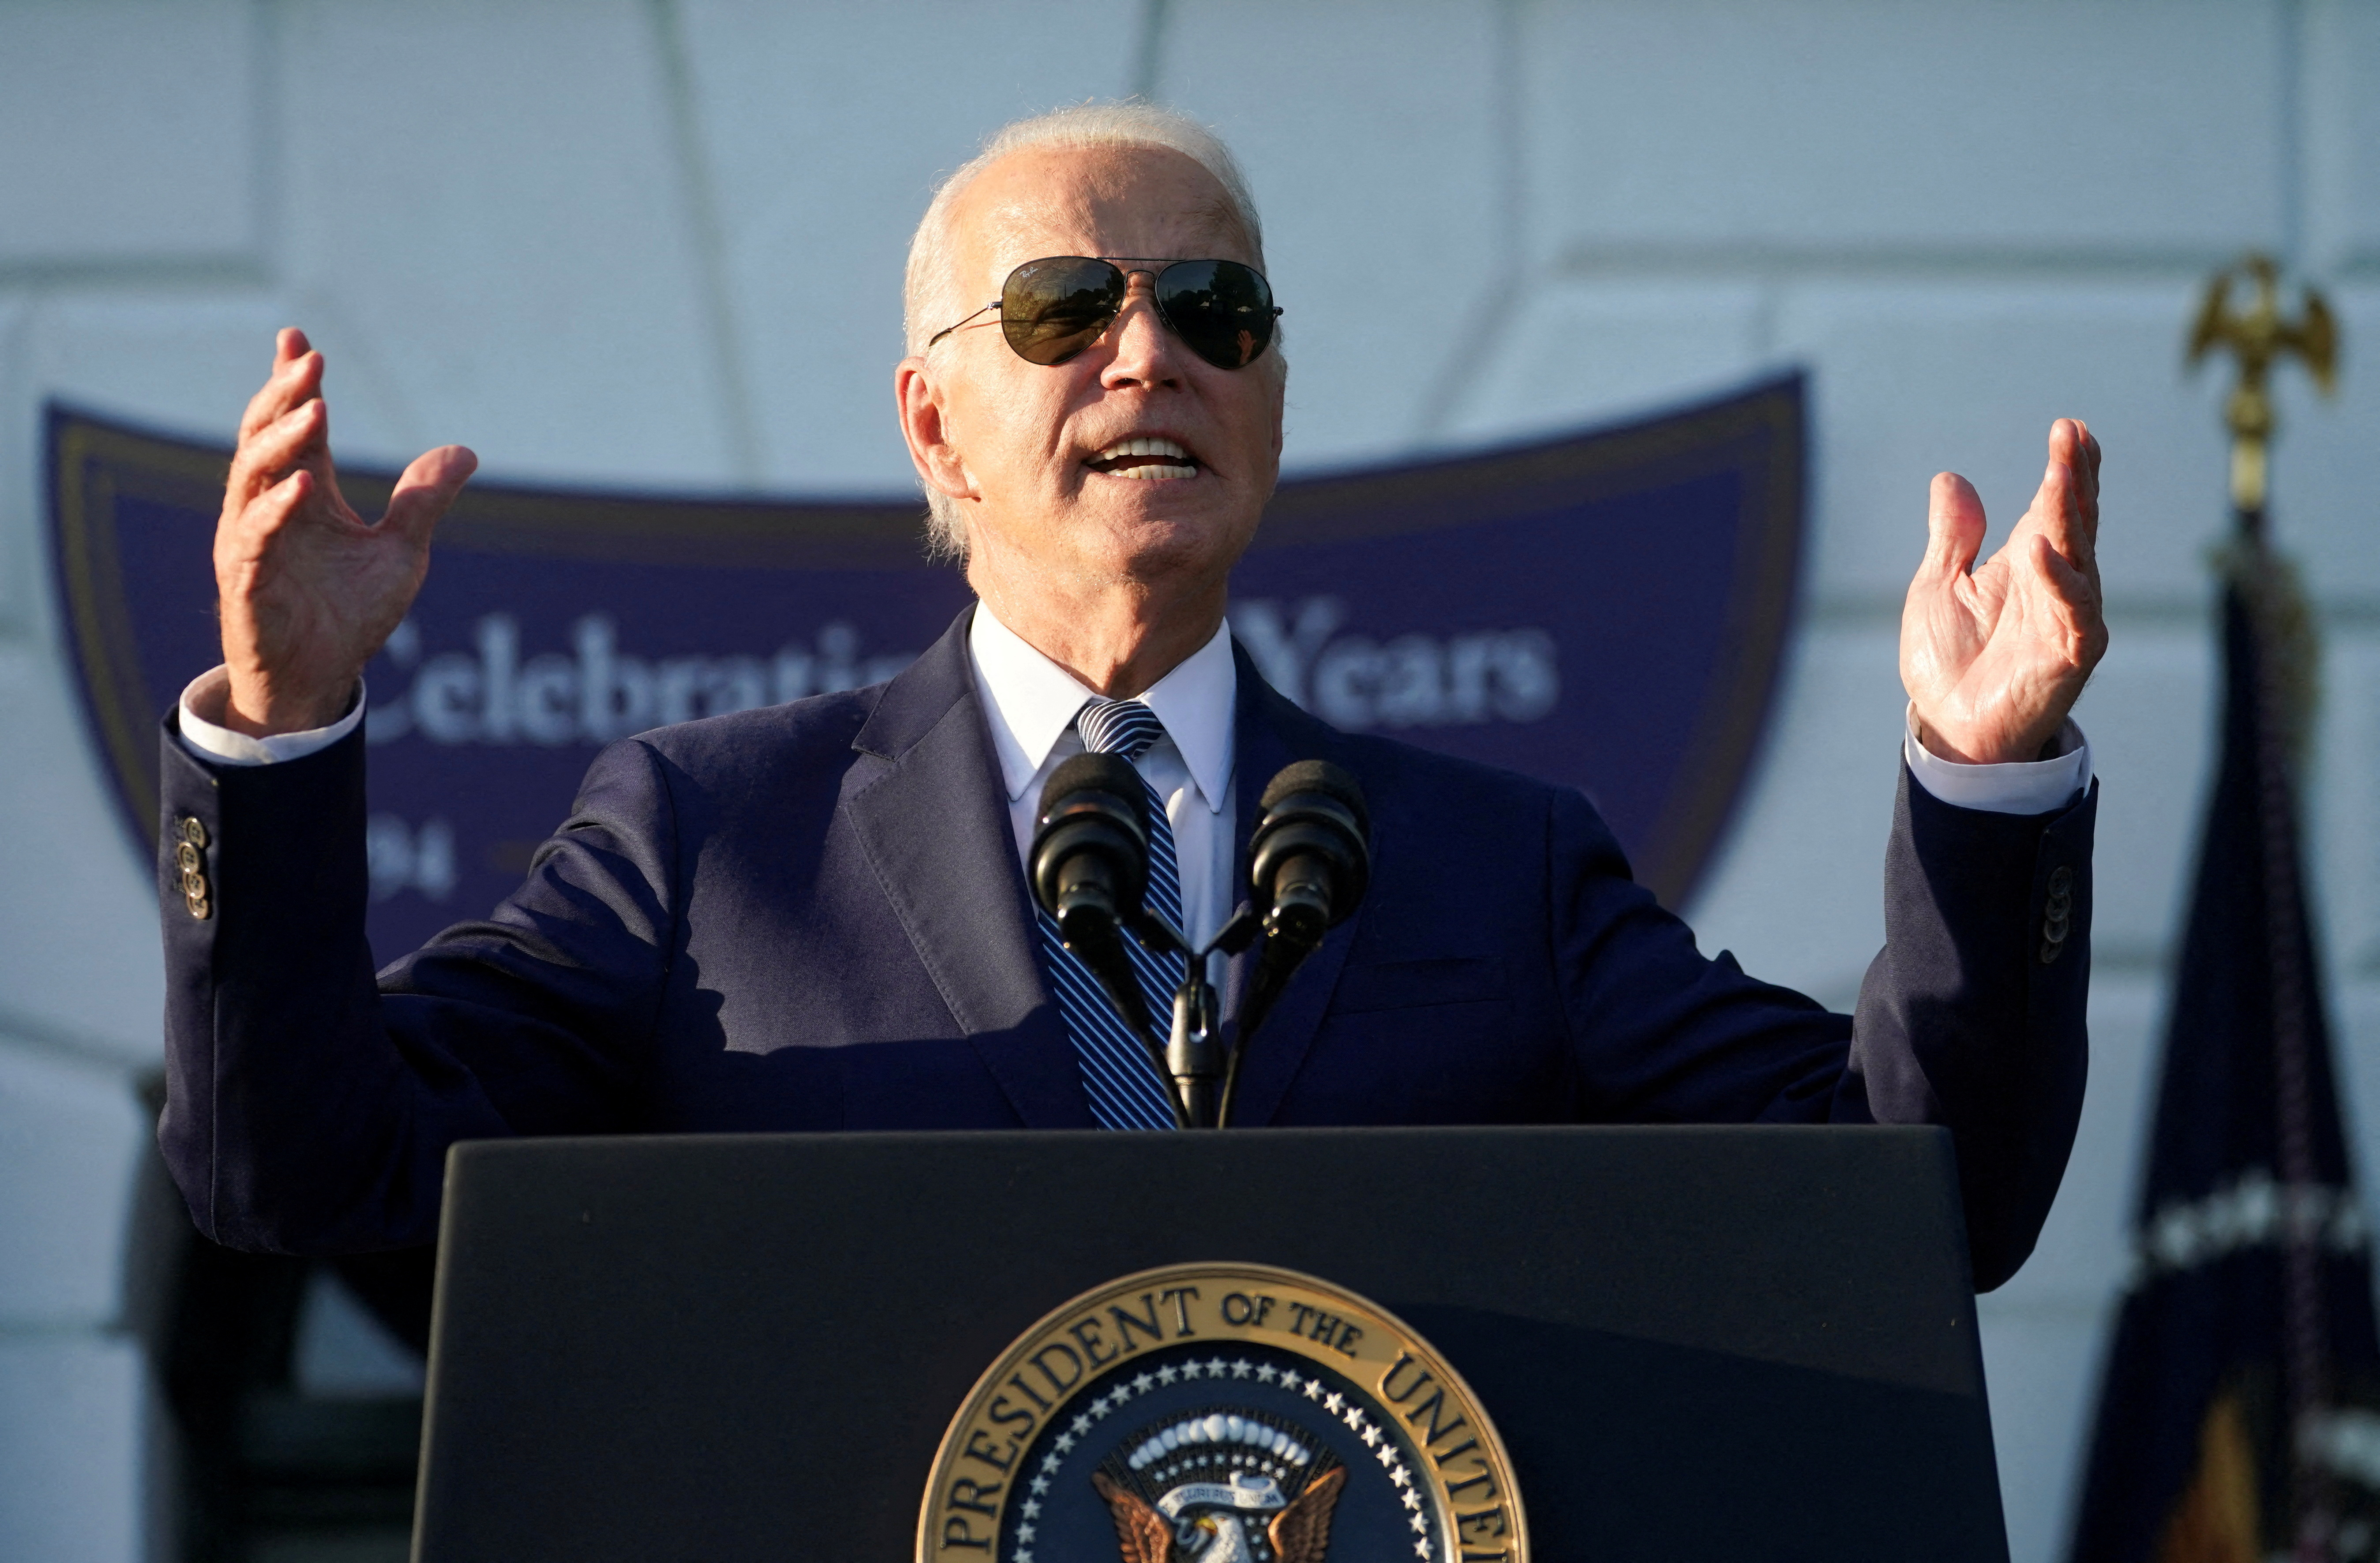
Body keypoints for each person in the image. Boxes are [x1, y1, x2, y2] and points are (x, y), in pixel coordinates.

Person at [158, 104, 2104, 1291]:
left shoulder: (1487, 866)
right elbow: (294, 1171)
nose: (1146, 354)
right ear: (936, 422)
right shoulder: (707, 841)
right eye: (1062, 313)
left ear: (1271, 395)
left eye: (1214, 312)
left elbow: (1910, 1197)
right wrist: (275, 735)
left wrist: (1981, 779)